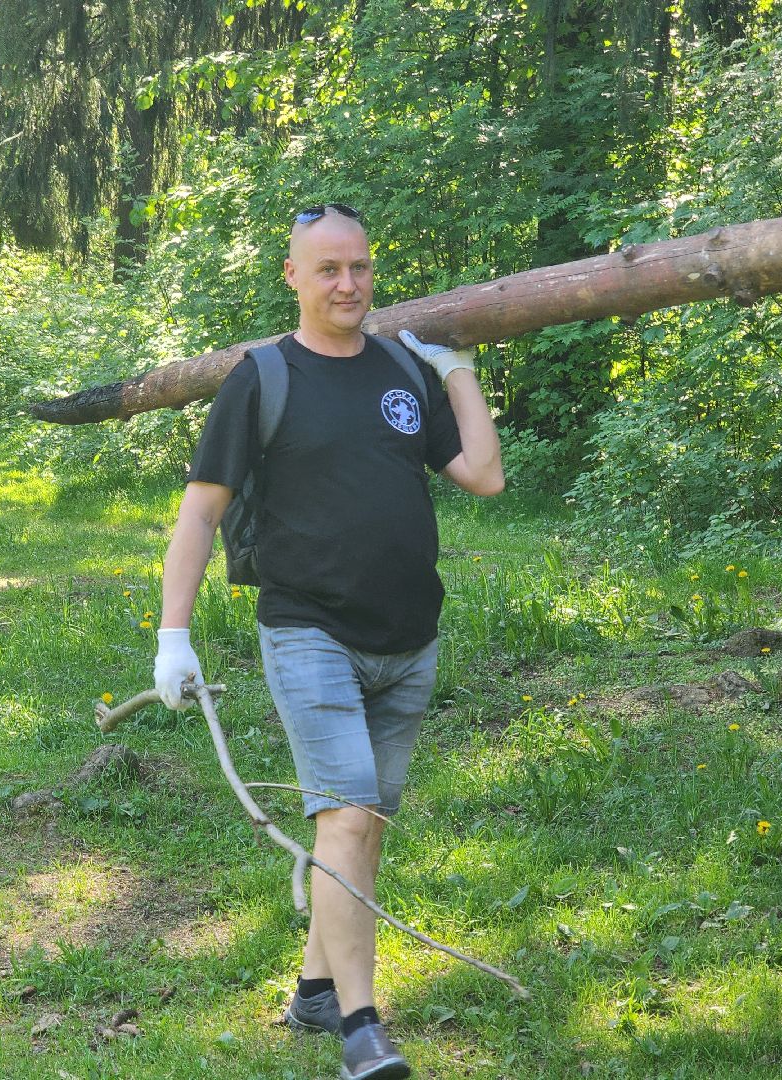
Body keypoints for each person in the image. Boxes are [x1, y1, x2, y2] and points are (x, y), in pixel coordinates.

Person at [153, 203, 503, 1080]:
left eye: (360, 268)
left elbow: (483, 477)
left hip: (409, 640)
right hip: (308, 632)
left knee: (363, 830)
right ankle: (361, 1029)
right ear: (294, 278)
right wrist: (174, 634)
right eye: (328, 270)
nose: (347, 285)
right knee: (345, 818)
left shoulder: (399, 368)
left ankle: (314, 988)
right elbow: (201, 512)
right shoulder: (262, 378)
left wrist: (455, 371)